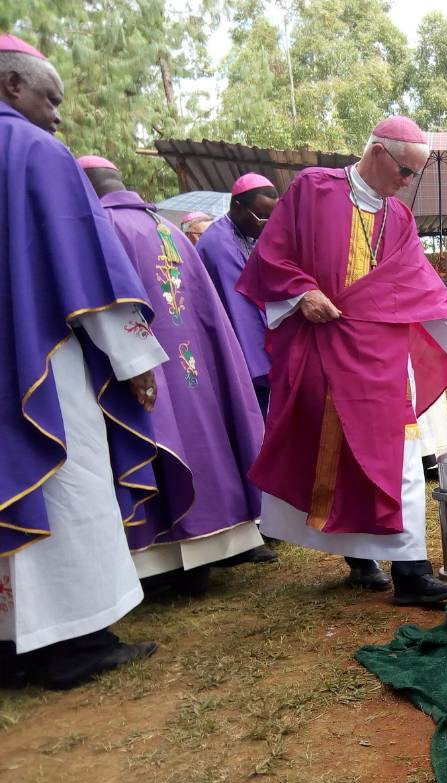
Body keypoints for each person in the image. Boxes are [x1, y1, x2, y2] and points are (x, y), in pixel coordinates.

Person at [237, 115, 447, 607]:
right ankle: (360, 557)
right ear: (378, 152)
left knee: (402, 455)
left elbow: (420, 286)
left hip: (384, 359)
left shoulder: (399, 217)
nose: (407, 183)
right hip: (325, 348)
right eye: (405, 171)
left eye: (414, 175)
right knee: (337, 456)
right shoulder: (312, 189)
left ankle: (411, 572)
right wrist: (302, 293)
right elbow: (272, 256)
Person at [0, 35, 187, 689]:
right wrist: (135, 359)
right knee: (64, 478)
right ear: (12, 85)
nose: (57, 116)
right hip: (38, 365)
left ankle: (10, 644)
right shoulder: (34, 151)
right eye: (50, 99)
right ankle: (75, 639)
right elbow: (88, 271)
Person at [79, 155, 274, 588]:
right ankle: (209, 551)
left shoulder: (101, 228)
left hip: (145, 368)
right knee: (205, 440)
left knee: (158, 440)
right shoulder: (167, 229)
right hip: (196, 368)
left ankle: (166, 561)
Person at [196, 174, 280, 417]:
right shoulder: (218, 245)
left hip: (258, 348)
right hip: (239, 352)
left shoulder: (250, 234)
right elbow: (241, 312)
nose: (266, 224)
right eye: (261, 216)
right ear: (237, 206)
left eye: (272, 217)